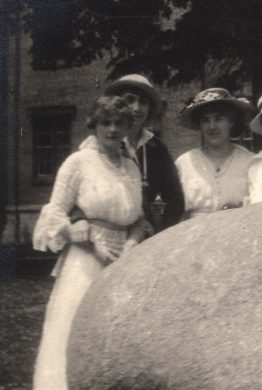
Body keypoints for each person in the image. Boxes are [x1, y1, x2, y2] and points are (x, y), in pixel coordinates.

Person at [32, 96, 146, 390]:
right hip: (85, 258)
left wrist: (132, 243)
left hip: (124, 259)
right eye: (105, 123)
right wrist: (78, 235)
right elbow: (55, 212)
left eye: (118, 123)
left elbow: (135, 217)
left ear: (127, 127)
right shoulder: (78, 163)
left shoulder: (131, 167)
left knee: (118, 334)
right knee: (72, 330)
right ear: (94, 126)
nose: (111, 130)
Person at [104, 74, 184, 232]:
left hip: (148, 238)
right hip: (109, 235)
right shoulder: (103, 144)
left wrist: (161, 231)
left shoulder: (157, 148)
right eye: (130, 100)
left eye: (143, 102)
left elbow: (175, 200)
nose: (136, 108)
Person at [176, 88, 255, 216]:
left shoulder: (250, 161)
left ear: (231, 122)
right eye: (205, 120)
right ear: (199, 125)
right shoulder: (185, 163)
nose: (212, 126)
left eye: (218, 119)